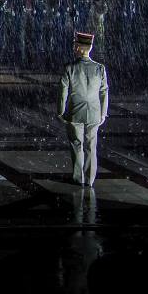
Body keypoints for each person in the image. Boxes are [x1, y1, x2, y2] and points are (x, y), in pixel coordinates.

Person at [57, 31, 109, 187]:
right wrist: (103, 113)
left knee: (76, 144)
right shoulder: (100, 68)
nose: (74, 48)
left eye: (75, 45)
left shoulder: (70, 68)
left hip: (74, 112)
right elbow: (104, 92)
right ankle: (90, 179)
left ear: (79, 48)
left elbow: (63, 91)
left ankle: (78, 177)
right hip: (94, 113)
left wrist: (60, 111)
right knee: (91, 146)